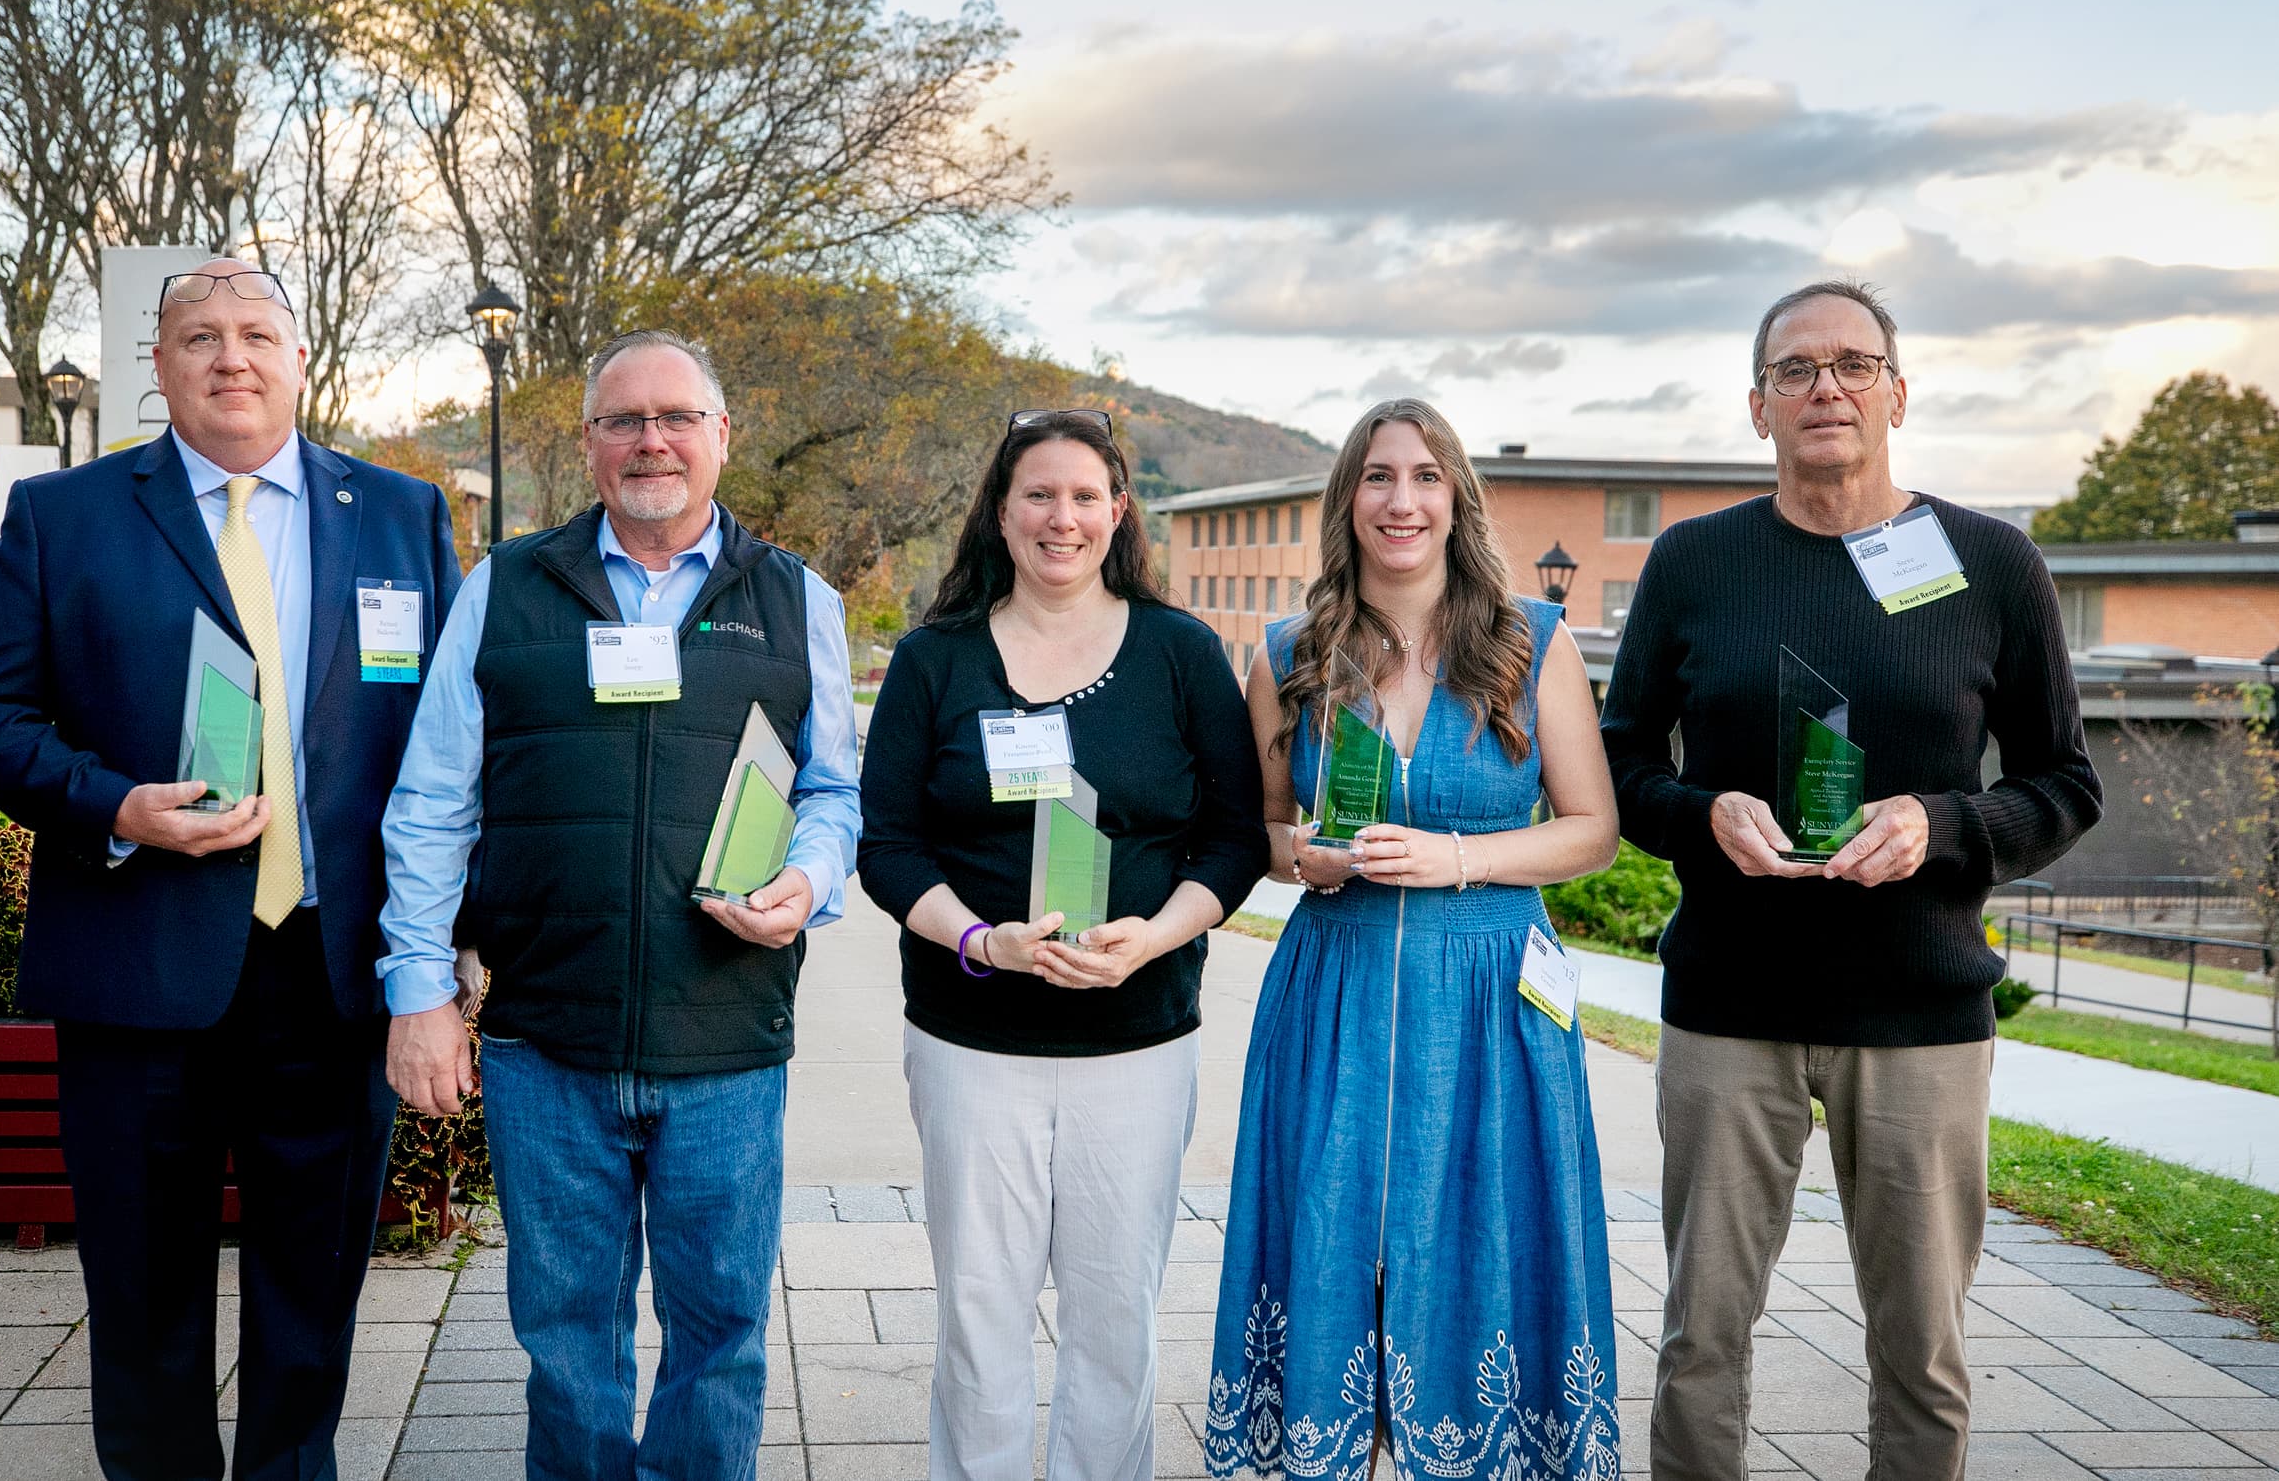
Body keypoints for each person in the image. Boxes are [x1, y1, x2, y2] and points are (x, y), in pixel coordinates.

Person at [0, 258, 462, 1479]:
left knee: (311, 1291)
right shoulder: (69, 516)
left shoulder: (398, 512)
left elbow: (448, 744)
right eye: (200, 336)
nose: (232, 357)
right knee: (143, 1294)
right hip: (139, 966)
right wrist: (115, 804)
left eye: (258, 333)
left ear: (300, 358)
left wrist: (453, 948)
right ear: (158, 365)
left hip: (334, 973)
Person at [1599, 280, 2102, 1481]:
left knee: (1921, 1353)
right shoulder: (1692, 561)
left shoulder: (1988, 561)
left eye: (1852, 364)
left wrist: (1942, 824)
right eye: (1795, 370)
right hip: (1729, 1007)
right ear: (1758, 405)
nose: (1825, 386)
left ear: (1897, 391)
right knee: (1699, 1340)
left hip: (1921, 1012)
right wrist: (1696, 812)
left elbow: (2064, 782)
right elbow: (1620, 762)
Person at [377, 328, 861, 1480]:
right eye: (623, 419)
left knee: (722, 1336)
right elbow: (431, 800)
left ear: (721, 436)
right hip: (551, 1041)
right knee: (566, 1343)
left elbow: (836, 789)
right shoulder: (506, 589)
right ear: (588, 443)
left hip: (727, 1039)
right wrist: (418, 990)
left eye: (678, 416)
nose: (652, 439)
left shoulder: (800, 602)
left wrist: (811, 877)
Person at [1203, 399, 1622, 1479]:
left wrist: (1459, 857)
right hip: (1333, 984)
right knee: (1338, 1230)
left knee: (1480, 1237)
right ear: (1347, 498)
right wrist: (1307, 856)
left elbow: (1592, 831)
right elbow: (1256, 830)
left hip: (1491, 992)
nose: (1401, 499)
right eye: (1378, 476)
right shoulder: (1289, 651)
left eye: (1425, 476)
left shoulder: (1532, 640)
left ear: (1456, 499)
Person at [858, 408, 1265, 1481]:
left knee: (1113, 1315)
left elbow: (1232, 841)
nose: (1062, 516)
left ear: (1117, 511)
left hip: (1135, 1040)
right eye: (1038, 493)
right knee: (980, 1312)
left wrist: (1152, 938)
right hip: (970, 1039)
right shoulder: (934, 659)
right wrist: (982, 940)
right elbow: (887, 847)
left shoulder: (1179, 653)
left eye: (1085, 495)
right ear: (1001, 510)